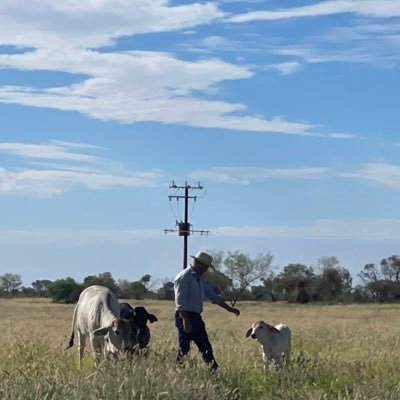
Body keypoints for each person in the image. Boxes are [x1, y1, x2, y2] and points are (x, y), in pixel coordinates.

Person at [174, 251, 240, 371]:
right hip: (185, 316)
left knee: (205, 346)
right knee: (184, 348)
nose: (205, 270)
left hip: (195, 317)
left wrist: (229, 309)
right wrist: (185, 321)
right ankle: (178, 370)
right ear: (197, 263)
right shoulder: (184, 277)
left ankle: (214, 371)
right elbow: (180, 301)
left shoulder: (200, 280)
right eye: (205, 267)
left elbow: (213, 296)